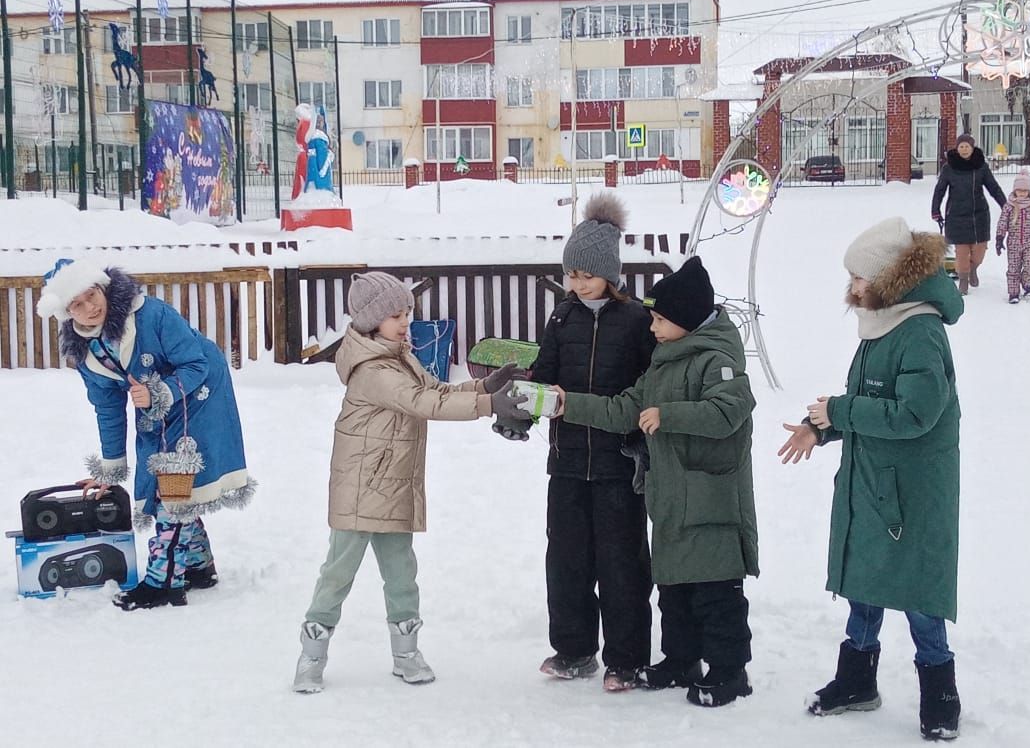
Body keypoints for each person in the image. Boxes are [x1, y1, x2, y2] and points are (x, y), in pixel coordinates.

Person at [292, 271, 529, 693]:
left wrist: (483, 385)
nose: (404, 322)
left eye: (407, 313)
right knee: (338, 573)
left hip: (393, 484)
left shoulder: (398, 356)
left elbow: (434, 387)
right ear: (370, 321)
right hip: (361, 489)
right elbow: (422, 402)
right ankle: (311, 657)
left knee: (402, 572)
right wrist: (489, 405)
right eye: (395, 315)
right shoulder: (372, 369)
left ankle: (406, 653)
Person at [778, 217, 964, 741]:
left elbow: (913, 415)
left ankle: (941, 694)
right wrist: (822, 428)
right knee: (865, 585)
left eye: (860, 278)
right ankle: (857, 682)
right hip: (874, 484)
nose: (852, 288)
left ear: (889, 280)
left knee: (918, 595)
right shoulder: (881, 327)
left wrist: (838, 410)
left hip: (911, 493)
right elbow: (871, 409)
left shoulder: (920, 332)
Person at [553, 257, 759, 708]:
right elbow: (624, 407)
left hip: (710, 498)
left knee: (715, 591)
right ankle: (680, 659)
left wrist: (670, 416)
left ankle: (730, 671)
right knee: (675, 588)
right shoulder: (665, 362)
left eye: (660, 319)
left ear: (685, 320)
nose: (652, 328)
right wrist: (568, 404)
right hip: (671, 496)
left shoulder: (718, 359)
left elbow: (730, 412)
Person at [36, 259, 255, 610]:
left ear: (102, 288)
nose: (90, 308)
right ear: (66, 312)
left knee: (175, 481)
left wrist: (161, 392)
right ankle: (198, 565)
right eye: (77, 304)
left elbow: (196, 362)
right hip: (154, 400)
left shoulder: (152, 315)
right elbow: (108, 408)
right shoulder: (87, 354)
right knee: (161, 478)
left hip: (200, 392)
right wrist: (110, 470)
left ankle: (164, 581)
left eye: (92, 295)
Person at [518, 193, 656, 691]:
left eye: (585, 275)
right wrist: (522, 410)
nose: (576, 284)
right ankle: (574, 649)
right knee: (567, 559)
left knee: (621, 563)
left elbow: (646, 387)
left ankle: (627, 657)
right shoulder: (562, 318)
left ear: (609, 274)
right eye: (570, 274)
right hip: (569, 460)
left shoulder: (638, 321)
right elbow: (546, 375)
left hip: (620, 466)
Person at [931, 133, 1006, 295]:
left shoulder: (981, 166)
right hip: (957, 215)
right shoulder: (949, 168)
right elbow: (940, 191)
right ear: (957, 149)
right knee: (962, 253)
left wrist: (1005, 205)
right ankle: (963, 280)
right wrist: (935, 210)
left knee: (979, 251)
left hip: (979, 215)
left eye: (967, 146)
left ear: (972, 148)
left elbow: (994, 188)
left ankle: (973, 268)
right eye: (961, 146)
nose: (964, 149)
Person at [995, 169, 1030, 304]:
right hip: (1013, 243)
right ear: (1015, 190)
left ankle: (1026, 283)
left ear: (1029, 192)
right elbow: (1002, 222)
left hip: (1029, 242)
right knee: (1013, 268)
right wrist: (999, 238)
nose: (1022, 193)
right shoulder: (1009, 207)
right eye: (1019, 190)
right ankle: (1013, 293)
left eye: (1025, 191)